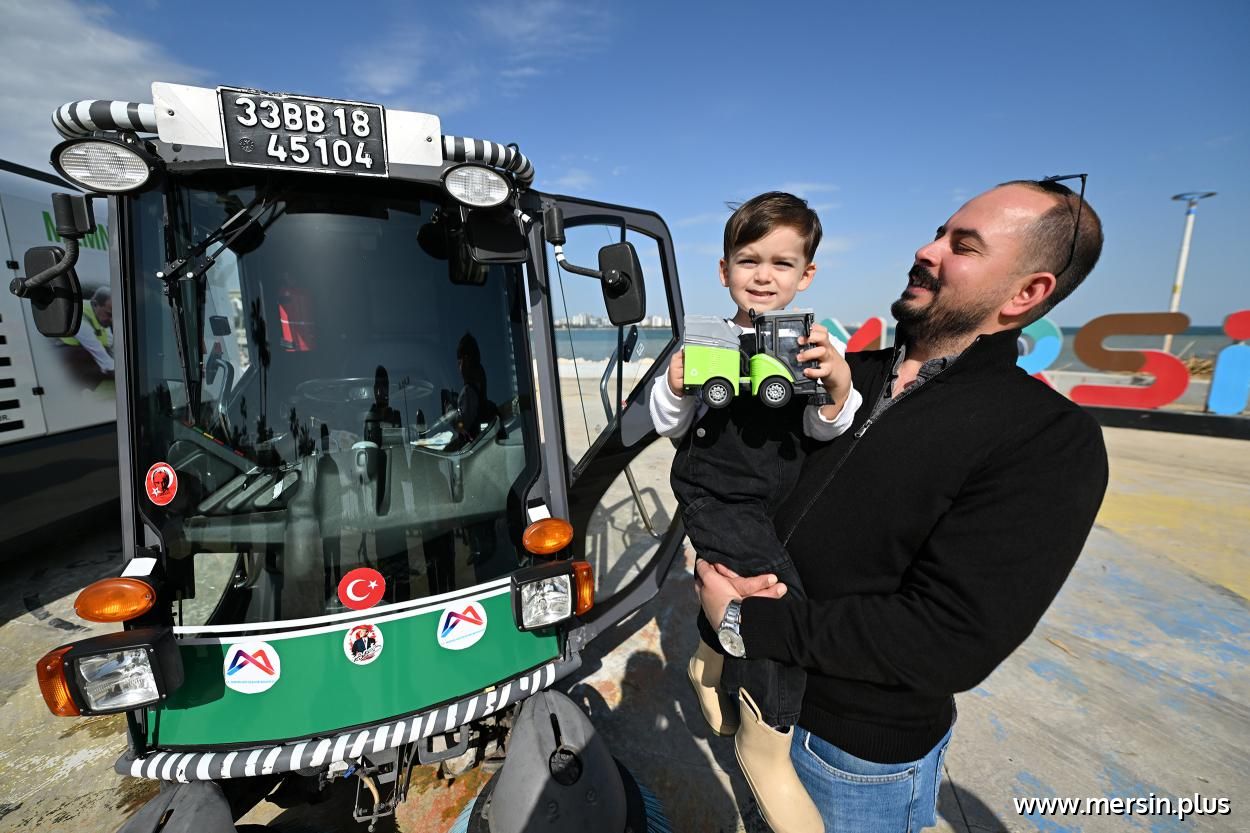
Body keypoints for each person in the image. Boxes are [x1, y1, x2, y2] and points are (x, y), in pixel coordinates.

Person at [695, 178, 1109, 832]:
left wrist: (749, 622)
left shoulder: (1047, 438)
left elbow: (950, 639)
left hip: (851, 756)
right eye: (939, 230)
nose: (926, 248)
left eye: (961, 246)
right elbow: (743, 485)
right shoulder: (838, 376)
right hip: (755, 694)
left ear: (1027, 292)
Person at [649, 192, 860, 832]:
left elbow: (826, 431)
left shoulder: (814, 343)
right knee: (779, 602)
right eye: (749, 261)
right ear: (724, 271)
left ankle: (709, 659)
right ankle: (766, 742)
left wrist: (838, 390)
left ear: (807, 275)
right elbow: (667, 425)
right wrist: (673, 385)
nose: (764, 276)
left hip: (773, 499)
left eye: (781, 263)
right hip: (719, 496)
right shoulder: (706, 340)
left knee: (745, 583)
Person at [59, 285, 114, 385]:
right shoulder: (79, 317)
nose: (112, 320)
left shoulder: (101, 317)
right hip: (64, 357)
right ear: (95, 304)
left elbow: (111, 344)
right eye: (109, 314)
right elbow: (104, 360)